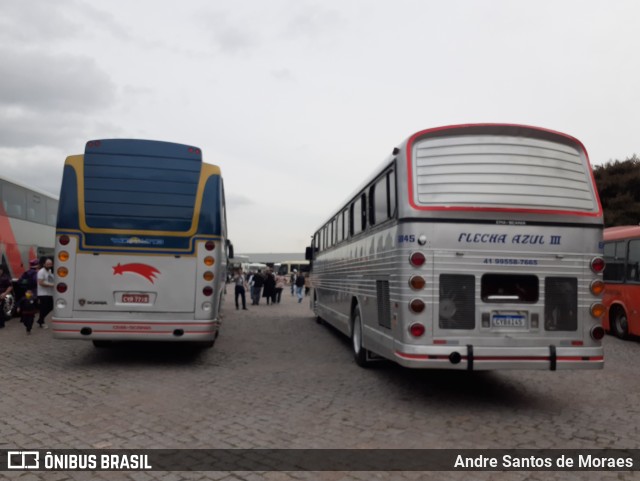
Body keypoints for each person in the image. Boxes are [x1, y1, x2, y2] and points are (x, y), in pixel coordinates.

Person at [36, 258, 54, 328]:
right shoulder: (41, 272)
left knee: (50, 307)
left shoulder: (49, 271)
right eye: (48, 264)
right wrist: (52, 285)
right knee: (44, 308)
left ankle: (40, 320)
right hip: (42, 293)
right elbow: (41, 283)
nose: (49, 265)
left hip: (49, 293)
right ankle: (41, 322)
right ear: (44, 264)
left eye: (50, 264)